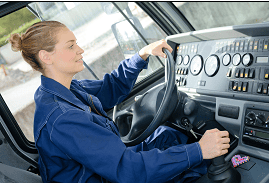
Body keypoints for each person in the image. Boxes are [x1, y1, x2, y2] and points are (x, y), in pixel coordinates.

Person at [9, 21, 230, 183]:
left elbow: (109, 89)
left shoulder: (64, 89)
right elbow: (126, 170)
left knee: (170, 135)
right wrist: (198, 151)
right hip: (114, 176)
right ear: (46, 57)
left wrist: (142, 55)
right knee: (198, 163)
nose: (81, 50)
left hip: (110, 169)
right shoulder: (63, 118)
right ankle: (236, 163)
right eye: (70, 46)